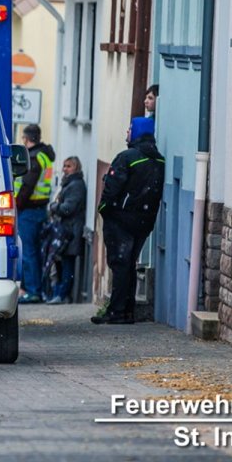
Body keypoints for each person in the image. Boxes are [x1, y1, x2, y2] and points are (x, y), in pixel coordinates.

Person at [93, 116, 165, 325]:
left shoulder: (127, 157)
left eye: (129, 130)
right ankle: (127, 310)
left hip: (120, 219)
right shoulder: (158, 159)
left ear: (135, 132)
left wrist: (104, 208)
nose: (126, 134)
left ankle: (117, 312)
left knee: (120, 263)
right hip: (144, 221)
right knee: (129, 263)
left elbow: (112, 187)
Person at [15, 123, 56, 304]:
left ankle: (33, 291)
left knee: (28, 252)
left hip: (29, 211)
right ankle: (34, 289)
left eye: (23, 138)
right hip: (39, 210)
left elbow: (27, 186)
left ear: (27, 138)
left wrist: (16, 205)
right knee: (35, 252)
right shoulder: (44, 156)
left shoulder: (33, 158)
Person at [46, 156, 87, 304]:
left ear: (76, 167)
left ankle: (62, 295)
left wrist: (54, 207)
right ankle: (58, 293)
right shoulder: (69, 183)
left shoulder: (76, 185)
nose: (65, 169)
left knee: (67, 265)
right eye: (64, 166)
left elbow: (68, 208)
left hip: (70, 232)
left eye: (68, 166)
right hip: (65, 231)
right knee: (60, 264)